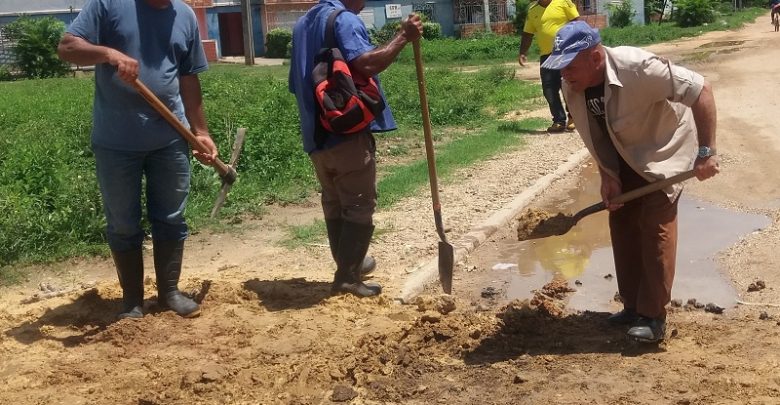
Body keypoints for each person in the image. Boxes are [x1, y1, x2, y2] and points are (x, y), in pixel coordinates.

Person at [542, 21, 720, 342]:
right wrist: (608, 176)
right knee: (622, 221)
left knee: (655, 226)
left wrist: (706, 152)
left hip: (663, 150)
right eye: (560, 67)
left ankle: (653, 318)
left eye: (569, 65)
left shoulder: (638, 68)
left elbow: (700, 89)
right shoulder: (573, 86)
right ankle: (633, 306)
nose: (563, 74)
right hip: (623, 154)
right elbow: (594, 136)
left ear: (595, 58)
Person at [57, 0, 217, 319]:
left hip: (171, 138)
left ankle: (169, 292)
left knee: (171, 216)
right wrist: (109, 54)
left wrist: (200, 130)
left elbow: (188, 78)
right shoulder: (108, 5)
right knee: (123, 222)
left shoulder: (184, 15)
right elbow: (67, 47)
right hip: (116, 141)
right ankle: (132, 301)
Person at [289, 0, 422, 297]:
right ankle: (348, 277)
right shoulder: (345, 21)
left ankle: (350, 265)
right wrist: (403, 36)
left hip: (315, 136)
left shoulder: (301, 25)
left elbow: (296, 84)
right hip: (345, 132)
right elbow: (367, 64)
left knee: (335, 202)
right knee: (359, 204)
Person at [518, 0, 579, 133]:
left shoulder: (563, 2)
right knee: (549, 89)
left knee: (568, 86)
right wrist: (523, 52)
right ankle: (558, 120)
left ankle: (573, 117)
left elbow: (577, 22)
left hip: (565, 52)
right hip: (547, 56)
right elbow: (528, 33)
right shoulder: (532, 10)